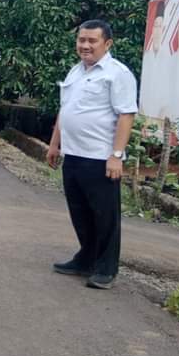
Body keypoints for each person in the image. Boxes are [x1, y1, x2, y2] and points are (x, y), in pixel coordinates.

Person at [46, 21, 137, 290]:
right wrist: (54, 144)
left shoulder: (117, 74)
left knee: (104, 215)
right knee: (80, 211)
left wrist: (116, 155)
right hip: (73, 154)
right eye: (81, 40)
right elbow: (66, 110)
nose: (85, 45)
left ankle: (106, 268)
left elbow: (126, 114)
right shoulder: (76, 72)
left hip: (100, 157)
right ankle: (85, 258)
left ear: (107, 44)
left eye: (92, 41)